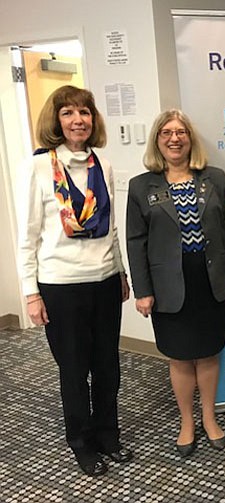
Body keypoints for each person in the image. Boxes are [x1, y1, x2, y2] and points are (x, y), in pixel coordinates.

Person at [16, 85, 133, 476]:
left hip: (103, 281)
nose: (78, 120)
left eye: (84, 112)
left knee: (107, 366)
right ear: (57, 120)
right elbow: (28, 236)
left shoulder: (104, 165)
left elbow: (112, 229)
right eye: (68, 113)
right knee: (74, 368)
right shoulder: (38, 167)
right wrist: (31, 294)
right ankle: (81, 442)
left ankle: (108, 433)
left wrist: (120, 273)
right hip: (60, 285)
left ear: (93, 120)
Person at [126, 109, 225, 458]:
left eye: (180, 132)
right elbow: (136, 242)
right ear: (157, 140)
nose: (174, 138)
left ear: (190, 138)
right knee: (179, 357)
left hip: (210, 280)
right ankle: (186, 422)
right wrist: (143, 291)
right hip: (168, 286)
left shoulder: (215, 178)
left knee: (208, 353)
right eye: (166, 132)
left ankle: (210, 418)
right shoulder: (141, 186)